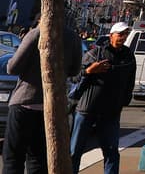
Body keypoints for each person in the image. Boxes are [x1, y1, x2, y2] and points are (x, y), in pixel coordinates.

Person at [3, 22, 85, 174]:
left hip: (25, 102)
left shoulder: (36, 34)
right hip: (51, 106)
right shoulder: (73, 37)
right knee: (38, 159)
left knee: (13, 157)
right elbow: (75, 70)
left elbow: (12, 68)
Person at [70, 21, 138, 174]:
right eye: (120, 34)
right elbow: (75, 77)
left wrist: (123, 100)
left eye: (125, 34)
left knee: (112, 153)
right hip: (86, 110)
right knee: (75, 151)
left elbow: (130, 82)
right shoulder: (96, 53)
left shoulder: (128, 56)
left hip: (111, 113)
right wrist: (90, 71)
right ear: (111, 35)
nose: (123, 37)